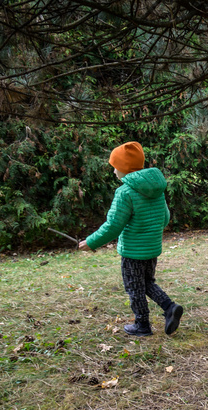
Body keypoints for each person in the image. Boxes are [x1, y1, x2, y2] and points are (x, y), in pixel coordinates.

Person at [79, 141, 184, 336]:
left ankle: (142, 325)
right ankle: (170, 307)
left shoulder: (124, 192)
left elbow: (113, 225)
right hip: (151, 248)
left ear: (125, 169)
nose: (113, 172)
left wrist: (91, 242)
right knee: (147, 283)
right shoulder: (156, 188)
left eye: (115, 167)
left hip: (133, 251)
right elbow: (165, 217)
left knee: (134, 288)